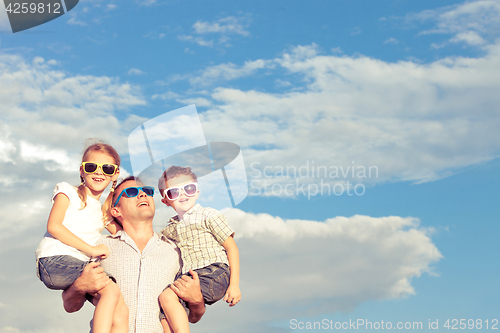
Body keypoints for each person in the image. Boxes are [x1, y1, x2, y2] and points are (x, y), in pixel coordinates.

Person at [61, 176, 207, 333]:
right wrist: (79, 286)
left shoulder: (176, 251)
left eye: (147, 191)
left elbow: (193, 317)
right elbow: (70, 306)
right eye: (131, 192)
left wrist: (197, 301)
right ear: (116, 210)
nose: (143, 194)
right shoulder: (96, 246)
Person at [35, 140, 128, 333]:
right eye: (92, 166)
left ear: (115, 174)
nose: (99, 172)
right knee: (111, 291)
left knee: (118, 308)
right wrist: (92, 250)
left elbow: (124, 236)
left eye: (107, 168)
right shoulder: (67, 191)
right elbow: (54, 226)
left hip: (76, 267)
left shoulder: (103, 212)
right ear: (82, 170)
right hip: (55, 260)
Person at [158, 166, 241, 333]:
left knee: (167, 296)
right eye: (174, 192)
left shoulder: (208, 215)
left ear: (197, 192)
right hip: (190, 276)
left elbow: (232, 248)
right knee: (165, 313)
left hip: (215, 272)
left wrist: (234, 285)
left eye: (188, 188)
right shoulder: (170, 229)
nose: (183, 194)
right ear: (166, 201)